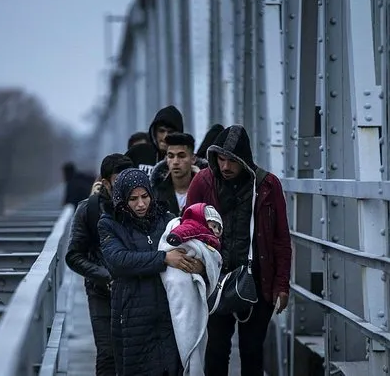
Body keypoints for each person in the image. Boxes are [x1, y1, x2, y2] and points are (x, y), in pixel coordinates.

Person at [185, 124, 292, 376]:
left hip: (256, 281)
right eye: (220, 159)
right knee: (216, 351)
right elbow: (187, 226)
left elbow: (281, 239)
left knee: (252, 351)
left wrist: (282, 285)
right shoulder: (203, 181)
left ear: (244, 159)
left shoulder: (267, 185)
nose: (225, 166)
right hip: (216, 280)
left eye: (231, 160)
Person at [98, 168, 202, 376]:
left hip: (169, 316)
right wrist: (163, 258)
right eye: (133, 199)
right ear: (121, 200)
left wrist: (198, 266)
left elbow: (190, 249)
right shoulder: (109, 224)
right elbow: (118, 261)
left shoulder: (167, 219)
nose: (141, 204)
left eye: (145, 196)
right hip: (132, 319)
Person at [65, 153, 134, 376]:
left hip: (135, 291)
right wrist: (105, 276)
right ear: (105, 182)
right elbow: (74, 256)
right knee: (107, 354)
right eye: (118, 181)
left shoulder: (139, 206)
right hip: (101, 293)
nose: (124, 186)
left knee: (133, 355)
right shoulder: (88, 209)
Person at [158, 203, 224, 375]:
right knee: (186, 326)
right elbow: (182, 233)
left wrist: (205, 262)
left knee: (192, 329)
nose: (215, 231)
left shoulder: (209, 238)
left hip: (191, 281)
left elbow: (214, 258)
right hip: (176, 278)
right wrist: (175, 240)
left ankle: (192, 363)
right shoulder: (191, 226)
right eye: (213, 226)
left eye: (218, 228)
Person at [150, 132, 208, 216]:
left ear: (193, 159)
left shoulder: (206, 191)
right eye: (171, 156)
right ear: (166, 159)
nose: (175, 162)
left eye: (181, 156)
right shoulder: (156, 193)